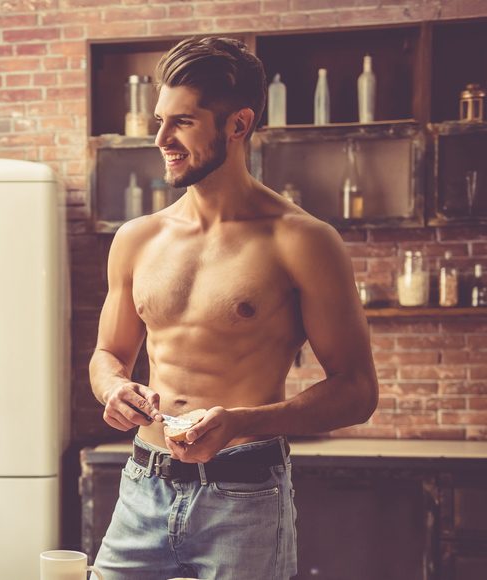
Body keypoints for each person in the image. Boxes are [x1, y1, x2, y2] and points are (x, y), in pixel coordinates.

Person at [89, 37, 378, 580]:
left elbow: (357, 391)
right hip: (142, 485)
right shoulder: (137, 238)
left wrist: (243, 423)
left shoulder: (302, 240)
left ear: (238, 125)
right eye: (159, 121)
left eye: (182, 123)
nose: (160, 139)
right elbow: (109, 353)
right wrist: (113, 388)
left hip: (244, 495)